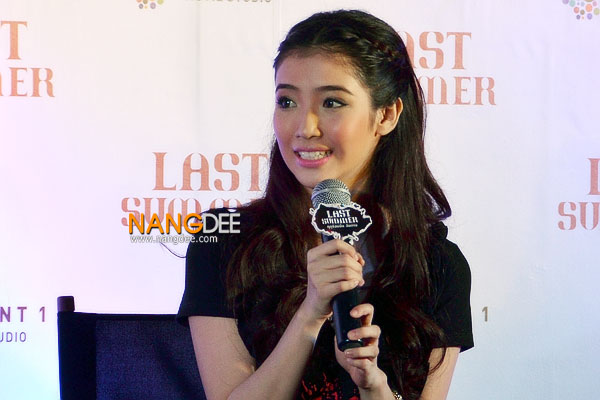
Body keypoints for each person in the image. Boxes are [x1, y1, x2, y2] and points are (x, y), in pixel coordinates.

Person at [177, 9, 473, 400]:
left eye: (332, 102)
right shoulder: (222, 242)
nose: (304, 128)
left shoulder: (437, 264)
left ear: (386, 115)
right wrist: (310, 313)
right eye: (287, 101)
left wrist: (374, 386)